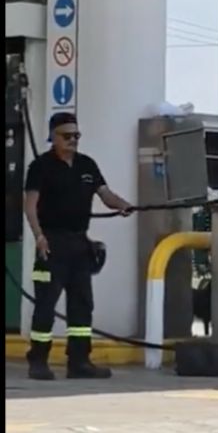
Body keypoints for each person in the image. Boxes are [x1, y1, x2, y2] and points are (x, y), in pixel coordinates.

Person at [22, 112, 134, 380]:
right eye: (66, 136)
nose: (73, 140)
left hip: (79, 243)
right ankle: (38, 360)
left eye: (76, 136)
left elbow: (106, 195)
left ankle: (80, 362)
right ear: (53, 137)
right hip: (51, 242)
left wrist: (124, 205)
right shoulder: (40, 167)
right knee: (46, 304)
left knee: (82, 304)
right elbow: (30, 205)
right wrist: (39, 236)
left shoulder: (87, 165)